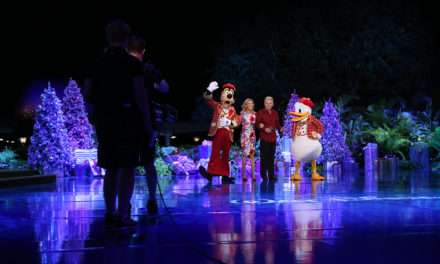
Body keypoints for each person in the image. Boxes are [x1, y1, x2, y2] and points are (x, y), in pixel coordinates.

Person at [85, 20, 151, 227]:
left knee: (111, 167)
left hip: (105, 121)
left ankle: (110, 212)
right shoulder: (133, 64)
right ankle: (124, 213)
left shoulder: (96, 63)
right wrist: (147, 123)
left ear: (107, 37)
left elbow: (87, 92)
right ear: (126, 38)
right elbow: (140, 95)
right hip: (128, 119)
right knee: (128, 167)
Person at [127, 35, 169, 215]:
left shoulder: (122, 67)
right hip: (147, 122)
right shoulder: (148, 69)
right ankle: (152, 199)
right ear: (143, 51)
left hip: (126, 120)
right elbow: (165, 88)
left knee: (126, 164)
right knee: (149, 163)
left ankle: (124, 204)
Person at [256, 96, 281, 181]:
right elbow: (258, 124)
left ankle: (271, 175)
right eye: (267, 103)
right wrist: (264, 128)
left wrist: (281, 128)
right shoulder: (260, 112)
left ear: (273, 104)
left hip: (273, 138)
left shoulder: (275, 113)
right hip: (264, 138)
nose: (268, 104)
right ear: (264, 103)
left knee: (271, 157)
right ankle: (263, 175)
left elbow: (277, 124)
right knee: (264, 157)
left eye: (270, 103)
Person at [240, 98, 256, 181]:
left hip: (252, 136)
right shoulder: (242, 114)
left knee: (252, 155)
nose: (251, 105)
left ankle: (253, 175)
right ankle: (243, 175)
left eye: (252, 103)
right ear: (246, 105)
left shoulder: (254, 114)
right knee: (244, 155)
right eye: (249, 103)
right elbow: (237, 122)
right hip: (245, 136)